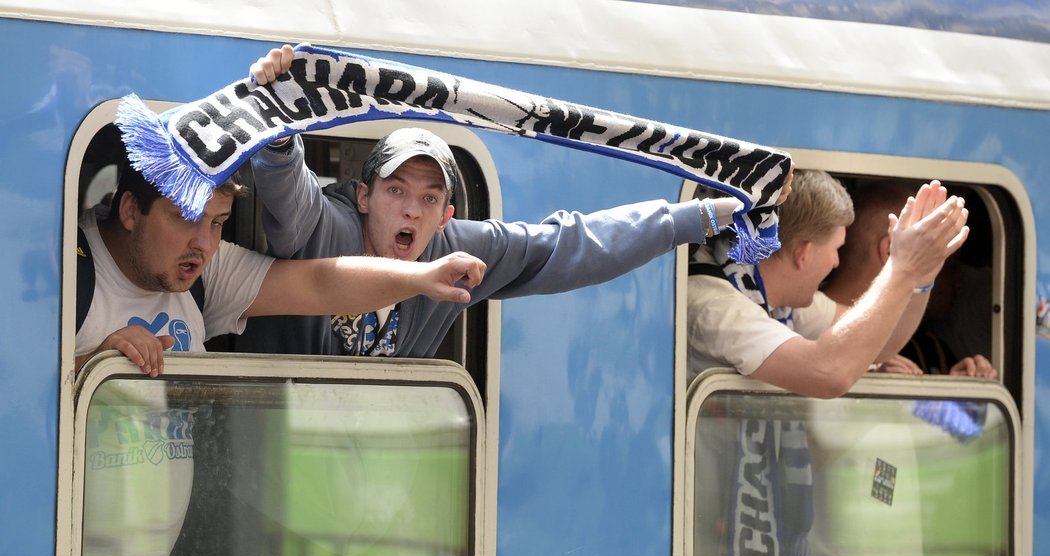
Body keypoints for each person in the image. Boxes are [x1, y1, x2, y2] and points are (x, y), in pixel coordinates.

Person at [235, 45, 771, 359]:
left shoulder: (456, 252)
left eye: (429, 198)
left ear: (447, 216)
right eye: (396, 191)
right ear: (363, 197)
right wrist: (280, 124)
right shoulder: (323, 227)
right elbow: (287, 184)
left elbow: (573, 244)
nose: (411, 211)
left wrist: (710, 213)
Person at [74, 155, 487, 376]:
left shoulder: (208, 272)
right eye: (185, 218)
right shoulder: (67, 270)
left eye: (218, 224)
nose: (203, 245)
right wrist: (98, 361)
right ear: (131, 211)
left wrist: (422, 276)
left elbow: (320, 284)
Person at [686, 169, 969, 398]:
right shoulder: (715, 306)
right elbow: (829, 373)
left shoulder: (781, 304)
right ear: (803, 253)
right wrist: (902, 267)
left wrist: (922, 274)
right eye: (836, 249)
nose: (837, 263)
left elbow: (883, 343)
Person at [821, 179, 996, 378]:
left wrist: (949, 391)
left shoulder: (928, 348)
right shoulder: (800, 316)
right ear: (888, 250)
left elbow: (881, 346)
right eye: (926, 246)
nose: (936, 260)